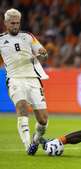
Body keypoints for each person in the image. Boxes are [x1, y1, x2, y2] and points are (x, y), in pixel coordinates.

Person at [0, 8, 49, 155]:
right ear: (6, 23)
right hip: (15, 79)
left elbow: (44, 54)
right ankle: (28, 146)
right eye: (12, 23)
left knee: (43, 120)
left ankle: (36, 139)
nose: (15, 26)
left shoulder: (28, 37)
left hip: (33, 79)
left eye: (17, 23)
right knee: (22, 108)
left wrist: (43, 54)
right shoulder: (0, 40)